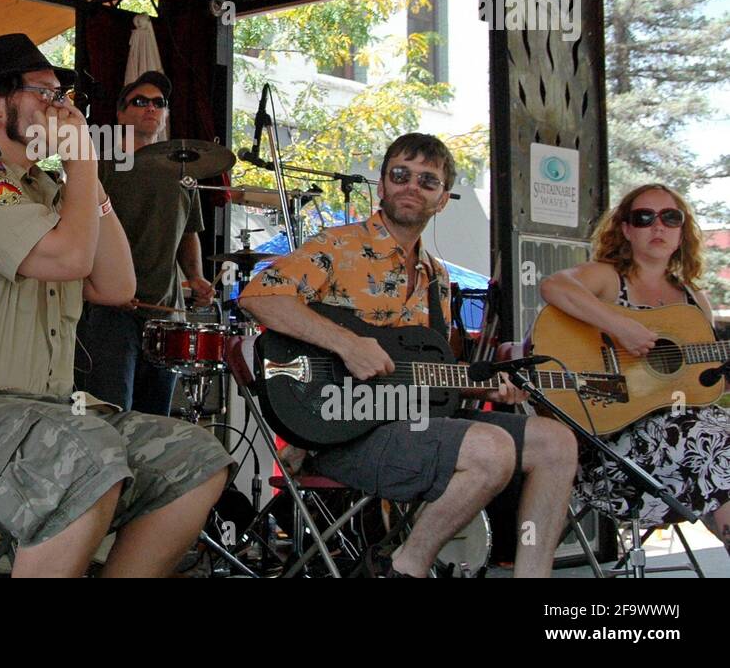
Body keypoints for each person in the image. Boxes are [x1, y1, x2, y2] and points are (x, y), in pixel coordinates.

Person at [0, 33, 233, 577]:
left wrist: (86, 182)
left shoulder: (45, 187)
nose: (62, 108)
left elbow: (116, 286)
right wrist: (85, 162)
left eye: (64, 97)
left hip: (39, 418)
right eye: (45, 93)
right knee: (81, 450)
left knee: (194, 454)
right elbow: (68, 260)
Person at [239, 133, 578, 577]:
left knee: (557, 443)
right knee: (491, 450)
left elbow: (430, 374)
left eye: (428, 181)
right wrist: (347, 344)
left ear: (442, 200)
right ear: (381, 185)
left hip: (414, 422)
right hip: (340, 430)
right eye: (400, 175)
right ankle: (404, 567)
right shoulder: (335, 247)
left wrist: (486, 383)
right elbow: (258, 298)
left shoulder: (437, 276)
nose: (411, 186)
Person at [540, 183, 730, 549]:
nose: (658, 226)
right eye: (644, 218)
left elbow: (696, 386)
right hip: (613, 450)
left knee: (715, 447)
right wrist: (620, 327)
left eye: (669, 218)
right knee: (715, 443)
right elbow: (554, 286)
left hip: (689, 447)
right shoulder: (608, 278)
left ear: (681, 230)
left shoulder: (694, 300)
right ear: (626, 229)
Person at [73, 71, 213, 416]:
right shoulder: (100, 164)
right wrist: (99, 285)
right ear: (120, 114)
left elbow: (188, 231)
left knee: (155, 419)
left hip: (166, 314)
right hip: (111, 312)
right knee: (110, 414)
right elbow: (80, 228)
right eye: (140, 101)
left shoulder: (183, 170)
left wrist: (196, 276)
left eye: (159, 103)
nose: (151, 108)